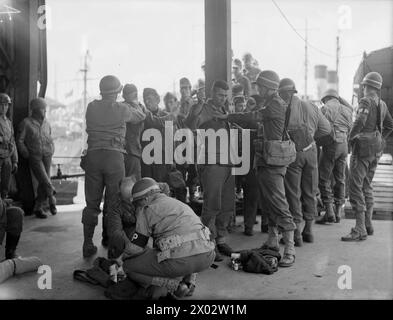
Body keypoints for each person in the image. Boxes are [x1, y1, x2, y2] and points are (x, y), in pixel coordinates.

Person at [219, 71, 297, 267]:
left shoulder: (275, 104)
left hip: (272, 163)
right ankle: (272, 241)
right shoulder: (271, 103)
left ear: (269, 87)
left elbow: (253, 117)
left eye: (260, 86)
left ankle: (290, 247)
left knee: (279, 203)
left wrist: (229, 116)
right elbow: (264, 128)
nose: (257, 89)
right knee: (269, 203)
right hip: (265, 160)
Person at [117, 177, 215, 299]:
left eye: (137, 202)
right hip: (207, 256)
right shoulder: (178, 204)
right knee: (189, 243)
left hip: (181, 261)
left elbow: (136, 247)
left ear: (146, 198)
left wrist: (120, 259)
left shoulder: (146, 209)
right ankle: (190, 284)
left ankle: (175, 286)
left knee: (128, 266)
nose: (136, 206)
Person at [82, 75, 140, 258]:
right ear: (117, 92)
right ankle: (111, 243)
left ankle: (87, 243)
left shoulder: (91, 107)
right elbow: (141, 116)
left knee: (91, 203)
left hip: (93, 156)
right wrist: (132, 102)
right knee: (114, 202)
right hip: (114, 157)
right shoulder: (122, 108)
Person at [278, 78, 331, 246]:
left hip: (295, 152)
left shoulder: (285, 107)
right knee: (310, 191)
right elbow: (326, 129)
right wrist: (311, 136)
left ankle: (296, 235)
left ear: (284, 92)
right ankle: (308, 230)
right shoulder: (312, 106)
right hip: (312, 151)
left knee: (293, 193)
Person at [342, 72, 393, 241]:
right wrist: (379, 138)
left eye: (363, 86)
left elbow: (360, 122)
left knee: (355, 187)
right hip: (376, 150)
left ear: (366, 86)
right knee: (366, 184)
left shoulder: (365, 101)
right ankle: (368, 224)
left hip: (362, 150)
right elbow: (390, 126)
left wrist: (351, 138)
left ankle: (359, 228)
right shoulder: (382, 103)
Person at [189, 80, 235, 261]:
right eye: (219, 95)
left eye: (225, 96)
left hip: (226, 162)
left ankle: (221, 240)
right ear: (211, 93)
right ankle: (208, 243)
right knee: (212, 205)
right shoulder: (202, 109)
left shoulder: (224, 110)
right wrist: (197, 106)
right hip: (210, 163)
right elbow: (190, 124)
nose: (222, 99)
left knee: (226, 204)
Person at [317, 89, 353, 224]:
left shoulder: (325, 108)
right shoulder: (347, 109)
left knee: (324, 178)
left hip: (332, 144)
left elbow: (319, 127)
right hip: (344, 145)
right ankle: (338, 212)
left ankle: (329, 211)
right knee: (340, 178)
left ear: (325, 98)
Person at [17, 98, 56, 219]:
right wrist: (26, 154)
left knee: (43, 182)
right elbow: (19, 141)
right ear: (35, 109)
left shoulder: (47, 123)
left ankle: (38, 208)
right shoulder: (26, 123)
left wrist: (52, 149)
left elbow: (50, 137)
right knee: (45, 179)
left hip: (47, 155)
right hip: (35, 157)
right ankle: (52, 199)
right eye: (42, 108)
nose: (45, 111)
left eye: (45, 108)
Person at [122, 84, 146, 180]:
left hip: (132, 150)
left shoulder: (140, 107)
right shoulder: (124, 107)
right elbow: (141, 117)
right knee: (134, 184)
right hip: (130, 151)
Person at [0, 93, 18, 199]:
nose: (3, 107)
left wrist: (15, 160)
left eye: (6, 105)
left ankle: (3, 205)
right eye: (1, 104)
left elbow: (13, 141)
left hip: (7, 157)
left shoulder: (8, 123)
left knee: (5, 184)